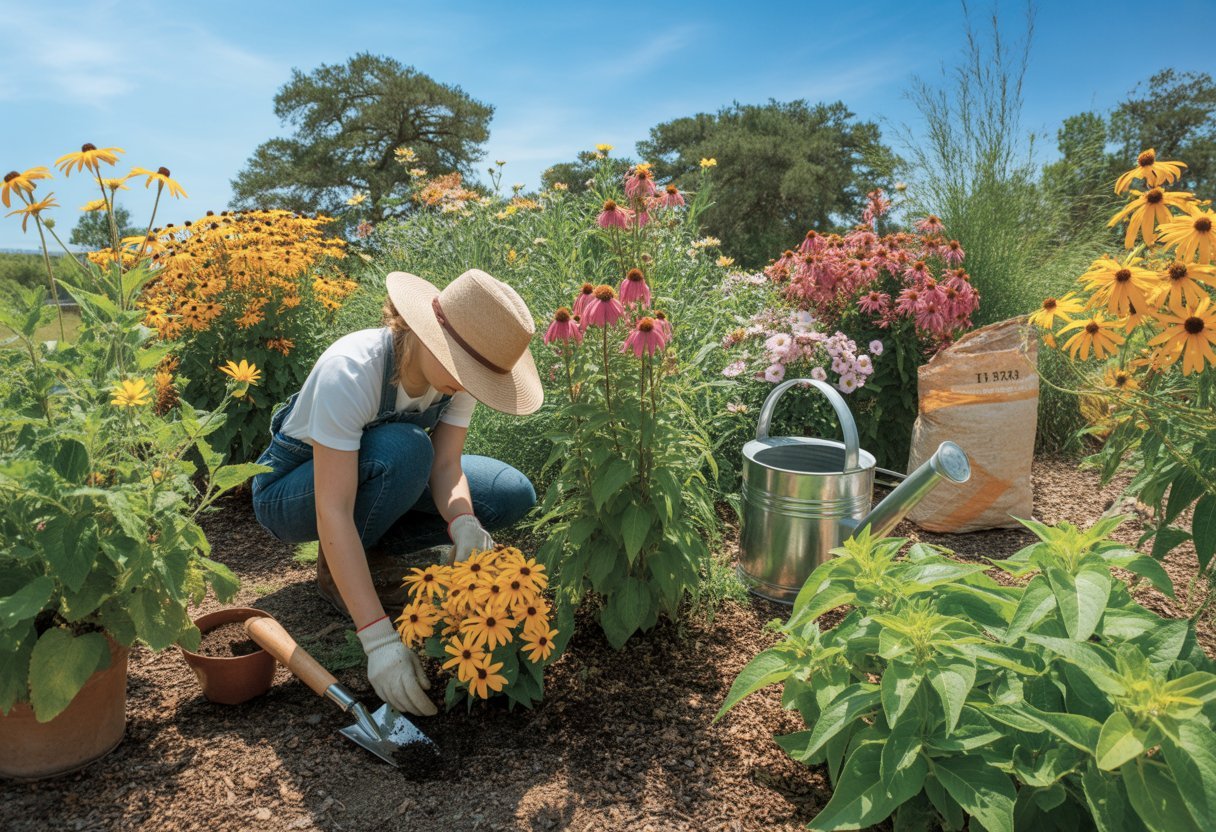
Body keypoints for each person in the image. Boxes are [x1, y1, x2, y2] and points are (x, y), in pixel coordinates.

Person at [251, 268, 543, 716]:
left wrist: (463, 520)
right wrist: (379, 638)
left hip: (378, 474)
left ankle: (369, 552)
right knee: (406, 448)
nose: (468, 386)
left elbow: (447, 466)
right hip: (290, 493)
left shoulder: (458, 377)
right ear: (430, 334)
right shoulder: (351, 371)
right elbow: (332, 508)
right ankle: (339, 570)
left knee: (508, 492)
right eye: (465, 371)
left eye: (478, 378)